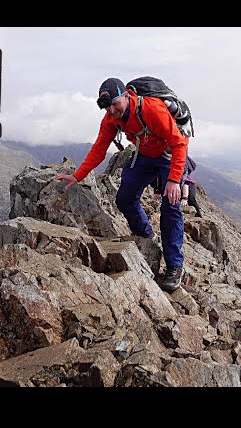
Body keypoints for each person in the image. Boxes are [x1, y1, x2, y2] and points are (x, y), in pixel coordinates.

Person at [56, 78, 189, 292]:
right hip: (144, 156)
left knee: (170, 207)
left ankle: (174, 266)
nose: (111, 110)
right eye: (107, 107)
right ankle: (146, 236)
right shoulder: (110, 119)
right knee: (124, 199)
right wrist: (77, 176)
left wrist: (174, 180)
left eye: (114, 103)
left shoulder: (152, 109)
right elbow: (99, 149)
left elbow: (179, 142)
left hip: (168, 155)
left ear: (126, 96)